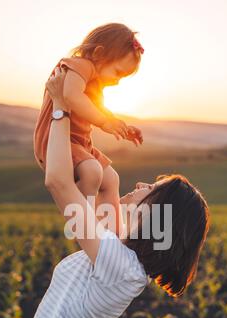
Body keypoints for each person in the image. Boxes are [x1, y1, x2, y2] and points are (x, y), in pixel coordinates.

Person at [16, 67, 210, 318]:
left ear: (156, 214)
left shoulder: (120, 265)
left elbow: (58, 181)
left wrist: (60, 108)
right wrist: (84, 112)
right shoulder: (120, 246)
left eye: (150, 189)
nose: (142, 184)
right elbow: (110, 184)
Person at [34, 23, 145, 235]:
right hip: (57, 141)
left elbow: (95, 109)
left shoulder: (95, 82)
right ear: (98, 53)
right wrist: (105, 122)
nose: (117, 81)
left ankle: (113, 235)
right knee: (92, 171)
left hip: (80, 144)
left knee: (111, 178)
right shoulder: (78, 65)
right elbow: (71, 96)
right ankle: (88, 230)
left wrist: (118, 124)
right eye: (118, 72)